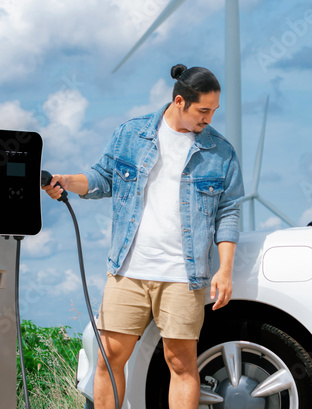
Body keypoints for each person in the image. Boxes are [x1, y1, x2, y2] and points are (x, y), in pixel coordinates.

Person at [42, 64, 243, 409]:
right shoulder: (132, 135)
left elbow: (229, 212)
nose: (209, 118)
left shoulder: (220, 153)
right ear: (180, 101)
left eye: (214, 111)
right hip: (129, 270)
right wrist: (65, 180)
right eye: (203, 110)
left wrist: (224, 269)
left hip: (184, 276)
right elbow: (101, 178)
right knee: (109, 357)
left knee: (181, 363)